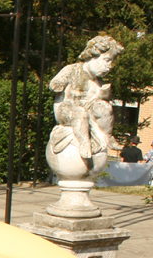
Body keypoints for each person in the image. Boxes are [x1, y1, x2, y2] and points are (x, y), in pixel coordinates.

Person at [48, 35, 125, 170]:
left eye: (111, 62)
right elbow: (54, 84)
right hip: (67, 110)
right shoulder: (72, 69)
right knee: (80, 112)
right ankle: (84, 142)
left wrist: (103, 95)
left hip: (88, 107)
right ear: (93, 55)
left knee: (105, 108)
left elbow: (99, 98)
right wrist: (59, 84)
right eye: (107, 61)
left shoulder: (97, 80)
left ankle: (106, 136)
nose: (109, 67)